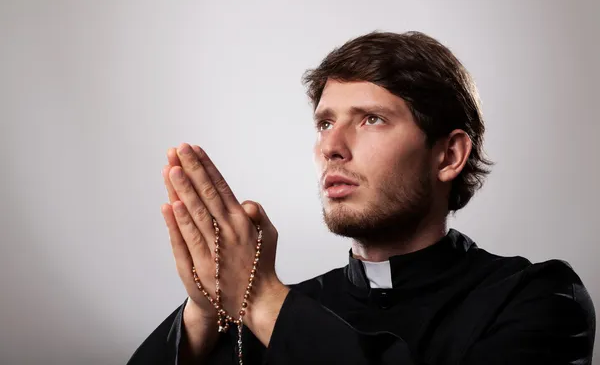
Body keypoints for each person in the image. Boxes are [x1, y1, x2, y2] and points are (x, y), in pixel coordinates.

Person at [127, 31, 596, 365]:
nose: (331, 145)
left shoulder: (538, 296)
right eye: (326, 122)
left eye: (371, 118)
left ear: (449, 155)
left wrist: (262, 298)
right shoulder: (275, 308)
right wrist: (206, 310)